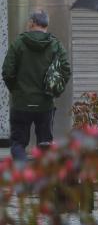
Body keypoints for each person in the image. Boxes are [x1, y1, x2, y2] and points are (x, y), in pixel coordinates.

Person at [2, 9, 71, 162]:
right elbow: (66, 70)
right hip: (45, 104)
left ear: (32, 23)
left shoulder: (18, 43)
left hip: (21, 103)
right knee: (45, 144)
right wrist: (55, 90)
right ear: (46, 24)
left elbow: (7, 72)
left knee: (18, 144)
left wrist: (16, 90)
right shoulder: (55, 45)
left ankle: (23, 177)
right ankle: (42, 181)